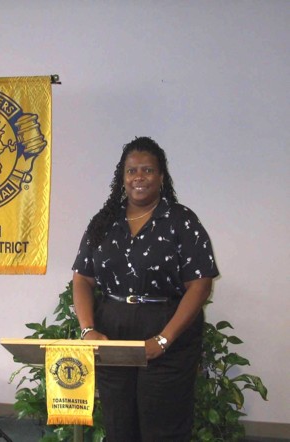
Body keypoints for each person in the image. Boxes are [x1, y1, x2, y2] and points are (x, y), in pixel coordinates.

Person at [72, 136, 219, 442]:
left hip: (167, 330)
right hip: (112, 334)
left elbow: (200, 284)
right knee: (118, 424)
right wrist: (87, 330)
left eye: (148, 170)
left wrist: (163, 339)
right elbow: (83, 279)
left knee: (162, 426)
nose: (139, 177)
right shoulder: (103, 222)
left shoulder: (182, 221)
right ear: (122, 178)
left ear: (161, 177)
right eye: (132, 170)